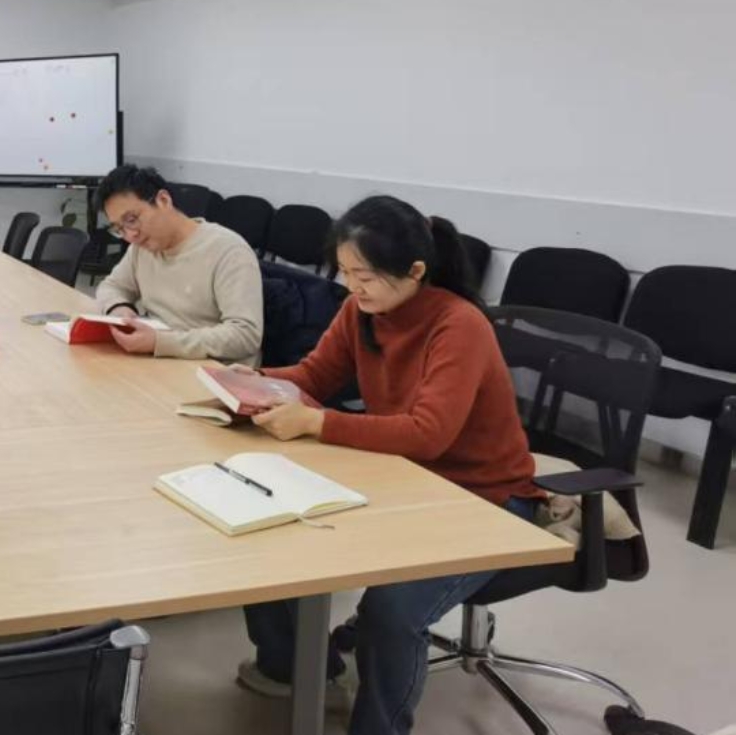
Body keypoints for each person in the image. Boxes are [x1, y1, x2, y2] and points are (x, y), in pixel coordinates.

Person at [235, 195, 544, 735]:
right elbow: (314, 376)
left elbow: (428, 434)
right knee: (270, 536)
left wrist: (317, 423)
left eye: (365, 276)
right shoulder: (362, 310)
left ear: (415, 271)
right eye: (345, 272)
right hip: (408, 479)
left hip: (486, 499)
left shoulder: (459, 325)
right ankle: (298, 672)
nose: (352, 287)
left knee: (391, 612)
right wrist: (250, 380)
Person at [93, 164, 264, 367]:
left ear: (163, 200)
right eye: (119, 229)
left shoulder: (228, 251)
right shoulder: (142, 247)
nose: (130, 235)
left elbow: (245, 335)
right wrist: (118, 308)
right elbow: (112, 286)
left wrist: (161, 342)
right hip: (162, 361)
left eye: (131, 220)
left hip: (215, 372)